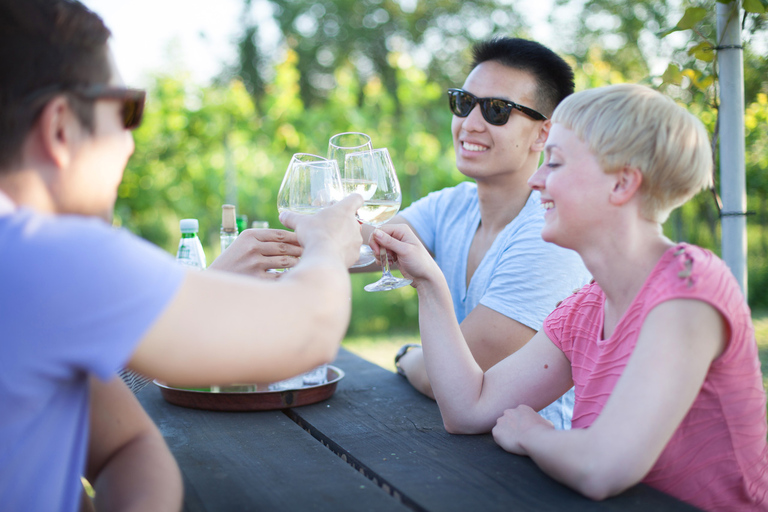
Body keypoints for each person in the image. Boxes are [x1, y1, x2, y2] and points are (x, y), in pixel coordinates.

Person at [0, 1, 363, 511]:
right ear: (61, 126)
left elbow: (124, 445)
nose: (129, 141)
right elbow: (311, 328)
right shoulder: (43, 253)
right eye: (125, 110)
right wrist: (329, 241)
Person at [369, 83, 768, 510]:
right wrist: (428, 283)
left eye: (555, 163)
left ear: (621, 185)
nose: (537, 178)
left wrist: (535, 434)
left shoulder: (689, 289)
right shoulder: (584, 308)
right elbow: (468, 408)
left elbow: (602, 467)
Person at [365, 37, 591, 429]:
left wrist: (407, 356)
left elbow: (453, 378)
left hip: (532, 468)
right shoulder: (453, 205)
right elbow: (358, 244)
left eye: (496, 110)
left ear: (543, 134)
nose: (469, 123)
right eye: (463, 102)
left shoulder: (550, 236)